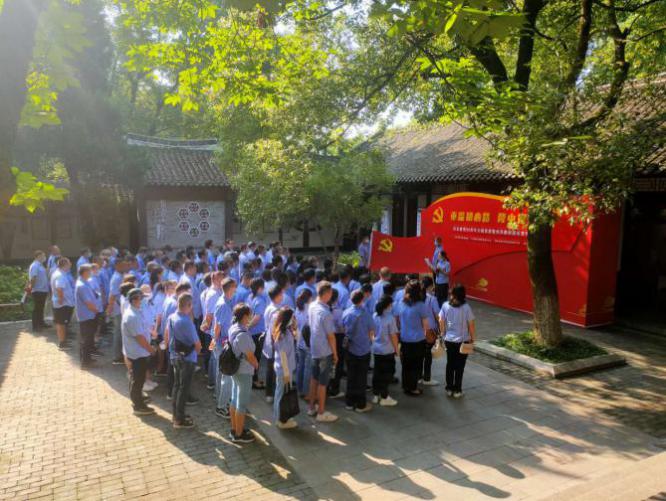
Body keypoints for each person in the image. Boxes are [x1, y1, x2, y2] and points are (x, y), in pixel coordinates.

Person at [167, 293, 202, 428]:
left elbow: (168, 336)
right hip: (186, 359)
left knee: (177, 386)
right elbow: (197, 344)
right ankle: (179, 420)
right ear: (189, 305)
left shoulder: (172, 317)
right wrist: (197, 354)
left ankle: (176, 415)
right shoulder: (186, 321)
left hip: (175, 356)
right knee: (183, 389)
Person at [306, 281, 339, 423]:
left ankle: (311, 407)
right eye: (330, 293)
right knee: (323, 382)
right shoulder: (325, 313)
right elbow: (331, 336)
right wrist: (335, 354)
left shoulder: (312, 306)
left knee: (314, 379)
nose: (331, 295)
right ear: (326, 293)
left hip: (314, 348)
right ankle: (321, 412)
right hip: (325, 351)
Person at [121, 288, 156, 416]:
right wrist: (151, 349)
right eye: (141, 298)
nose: (143, 301)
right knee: (138, 379)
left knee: (136, 378)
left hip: (137, 352)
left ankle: (137, 399)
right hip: (138, 353)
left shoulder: (135, 312)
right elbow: (140, 338)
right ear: (135, 300)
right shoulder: (132, 316)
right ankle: (138, 406)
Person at [439, 284, 476, 398]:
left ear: (452, 294)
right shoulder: (466, 307)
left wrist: (442, 333)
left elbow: (441, 320)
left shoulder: (445, 305)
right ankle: (457, 390)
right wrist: (473, 338)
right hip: (463, 341)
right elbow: (471, 324)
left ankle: (449, 388)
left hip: (449, 340)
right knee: (460, 366)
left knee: (450, 364)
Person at [228, 303, 259, 443]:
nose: (251, 317)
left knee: (234, 399)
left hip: (235, 369)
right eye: (250, 315)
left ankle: (234, 429)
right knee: (242, 403)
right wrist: (256, 364)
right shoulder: (243, 335)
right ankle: (239, 434)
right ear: (245, 316)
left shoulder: (233, 328)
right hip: (244, 371)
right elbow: (249, 355)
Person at [342, 290, 375, 413]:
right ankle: (361, 404)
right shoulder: (366, 314)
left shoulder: (346, 313)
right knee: (362, 378)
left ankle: (349, 402)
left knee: (351, 376)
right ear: (362, 300)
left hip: (350, 349)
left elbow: (343, 328)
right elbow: (371, 331)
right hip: (363, 349)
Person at [398, 280, 429, 396]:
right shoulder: (421, 305)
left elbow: (398, 320)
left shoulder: (401, 303)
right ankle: (413, 388)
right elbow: (426, 325)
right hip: (417, 339)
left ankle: (406, 386)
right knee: (415, 365)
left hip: (404, 338)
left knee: (406, 364)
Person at [212, 277, 237, 418]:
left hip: (222, 343)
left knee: (221, 374)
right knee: (226, 376)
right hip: (222, 344)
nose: (236, 289)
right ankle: (221, 406)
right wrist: (215, 343)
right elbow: (217, 327)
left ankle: (220, 399)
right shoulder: (223, 304)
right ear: (230, 288)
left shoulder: (226, 301)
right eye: (234, 287)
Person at [272, 307, 299, 429]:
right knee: (281, 394)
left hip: (283, 368)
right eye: (292, 317)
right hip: (284, 369)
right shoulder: (284, 334)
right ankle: (281, 419)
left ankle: (280, 417)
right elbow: (283, 355)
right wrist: (287, 373)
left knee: (280, 393)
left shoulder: (284, 331)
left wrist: (295, 328)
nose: (294, 319)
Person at [372, 295, 399, 406]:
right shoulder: (390, 318)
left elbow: (371, 332)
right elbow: (393, 336)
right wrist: (397, 349)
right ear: (388, 305)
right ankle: (384, 396)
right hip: (387, 349)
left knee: (377, 372)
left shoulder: (374, 315)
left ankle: (376, 394)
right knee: (387, 373)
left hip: (376, 349)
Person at [262, 285, 284, 403]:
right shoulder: (276, 311)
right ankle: (276, 393)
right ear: (277, 296)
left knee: (270, 368)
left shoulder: (269, 308)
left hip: (270, 343)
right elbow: (275, 331)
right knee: (278, 369)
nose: (283, 296)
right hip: (277, 344)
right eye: (281, 294)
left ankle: (269, 393)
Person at [75, 264, 100, 368]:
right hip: (87, 316)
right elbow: (88, 303)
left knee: (88, 338)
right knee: (86, 339)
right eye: (89, 271)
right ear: (85, 272)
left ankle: (87, 359)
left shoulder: (85, 282)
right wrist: (96, 310)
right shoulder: (82, 285)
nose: (91, 273)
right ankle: (85, 362)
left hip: (89, 315)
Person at [107, 258, 129, 365]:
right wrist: (110, 308)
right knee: (118, 333)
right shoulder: (116, 278)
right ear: (117, 266)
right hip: (118, 309)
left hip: (120, 308)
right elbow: (112, 295)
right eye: (123, 265)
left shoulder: (120, 276)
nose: (125, 267)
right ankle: (117, 357)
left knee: (120, 332)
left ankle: (120, 355)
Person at [51, 257, 75, 351]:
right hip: (63, 304)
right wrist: (61, 299)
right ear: (65, 265)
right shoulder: (60, 275)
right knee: (61, 324)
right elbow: (59, 288)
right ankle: (62, 343)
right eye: (69, 263)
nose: (70, 264)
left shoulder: (61, 273)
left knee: (62, 323)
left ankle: (64, 340)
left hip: (64, 303)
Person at [248, 278, 267, 389]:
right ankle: (254, 380)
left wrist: (246, 327)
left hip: (251, 333)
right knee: (256, 357)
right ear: (259, 288)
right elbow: (257, 318)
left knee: (251, 356)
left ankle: (251, 378)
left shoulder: (249, 297)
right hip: (257, 333)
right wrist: (247, 327)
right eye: (263, 287)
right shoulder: (260, 300)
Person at [421, 276, 440, 386]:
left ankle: (418, 376)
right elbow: (437, 315)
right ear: (431, 286)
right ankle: (427, 378)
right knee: (428, 355)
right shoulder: (432, 299)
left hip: (419, 329)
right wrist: (441, 328)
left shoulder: (417, 296)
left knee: (420, 354)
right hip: (429, 330)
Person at [294, 288, 313, 399]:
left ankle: (299, 388)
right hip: (308, 342)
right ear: (309, 298)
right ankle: (306, 392)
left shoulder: (298, 308)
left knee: (300, 366)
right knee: (307, 368)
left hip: (299, 341)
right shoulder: (310, 309)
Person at [28, 250, 50, 331]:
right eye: (43, 256)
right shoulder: (35, 266)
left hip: (43, 290)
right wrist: (31, 288)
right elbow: (33, 278)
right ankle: (35, 326)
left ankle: (41, 323)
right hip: (37, 290)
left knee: (41, 308)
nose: (44, 257)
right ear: (38, 256)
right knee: (37, 308)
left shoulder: (40, 265)